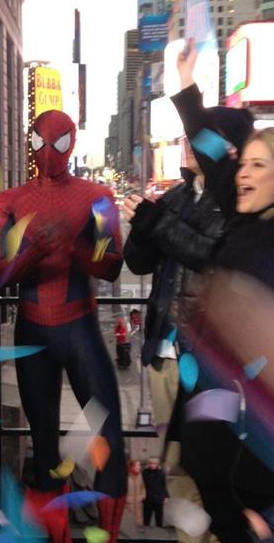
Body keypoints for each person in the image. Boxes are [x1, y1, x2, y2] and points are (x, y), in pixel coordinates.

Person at [0, 110, 127, 543]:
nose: (48, 153)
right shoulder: (10, 199)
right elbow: (2, 275)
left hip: (78, 328)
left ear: (72, 143)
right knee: (44, 441)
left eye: (58, 143)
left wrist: (74, 249)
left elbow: (111, 267)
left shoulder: (98, 195)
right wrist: (35, 253)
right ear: (29, 142)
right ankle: (58, 534)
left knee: (106, 432)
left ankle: (102, 533)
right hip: (38, 331)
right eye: (40, 144)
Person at [169, 38, 274, 542]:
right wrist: (187, 85)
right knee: (214, 491)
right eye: (245, 163)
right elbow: (214, 159)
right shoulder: (240, 215)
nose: (245, 174)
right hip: (217, 407)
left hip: (258, 430)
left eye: (260, 165)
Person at [122, 140, 225, 543]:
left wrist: (155, 221)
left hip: (211, 355)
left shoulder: (231, 200)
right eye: (185, 136)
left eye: (199, 136)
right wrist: (141, 227)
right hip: (165, 349)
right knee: (176, 462)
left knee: (215, 465)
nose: (188, 144)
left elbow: (206, 254)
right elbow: (138, 263)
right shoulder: (176, 196)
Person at [142, 457, 168, 528]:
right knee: (146, 519)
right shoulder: (144, 473)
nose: (152, 465)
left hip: (158, 499)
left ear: (157, 464)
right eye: (151, 463)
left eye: (154, 463)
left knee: (159, 518)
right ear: (148, 464)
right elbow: (141, 485)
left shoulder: (161, 473)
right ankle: (145, 533)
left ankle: (159, 532)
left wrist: (166, 497)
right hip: (147, 498)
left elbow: (164, 485)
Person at [126, 459, 146, 528]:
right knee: (129, 523)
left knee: (139, 520)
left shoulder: (140, 475)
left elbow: (143, 487)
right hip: (129, 503)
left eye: (139, 465)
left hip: (139, 501)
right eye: (138, 465)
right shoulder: (126, 477)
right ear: (132, 467)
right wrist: (126, 499)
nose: (140, 467)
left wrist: (143, 496)